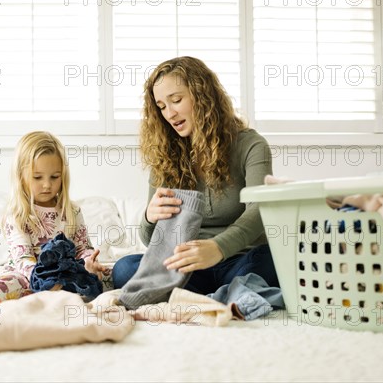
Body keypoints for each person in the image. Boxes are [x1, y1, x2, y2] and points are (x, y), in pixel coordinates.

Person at [112, 56, 279, 295]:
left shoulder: (250, 145)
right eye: (161, 107)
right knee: (124, 269)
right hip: (185, 267)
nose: (169, 113)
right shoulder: (165, 154)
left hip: (240, 260)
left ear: (202, 96)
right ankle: (232, 293)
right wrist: (149, 217)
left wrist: (217, 248)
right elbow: (152, 242)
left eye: (176, 100)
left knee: (275, 258)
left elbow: (260, 211)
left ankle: (195, 295)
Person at [0, 131, 109, 318]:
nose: (47, 185)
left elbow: (82, 248)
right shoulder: (18, 214)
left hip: (65, 273)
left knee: (105, 277)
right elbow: (23, 258)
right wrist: (46, 281)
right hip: (26, 274)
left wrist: (89, 262)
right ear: (21, 176)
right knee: (8, 284)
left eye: (55, 177)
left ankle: (55, 298)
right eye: (38, 177)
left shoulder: (72, 211)